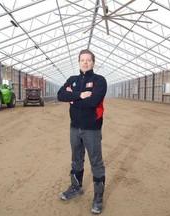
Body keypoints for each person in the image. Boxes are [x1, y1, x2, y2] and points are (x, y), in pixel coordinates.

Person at [57, 49, 107, 214]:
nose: (85, 62)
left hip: (91, 129)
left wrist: (72, 100)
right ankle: (76, 188)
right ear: (78, 62)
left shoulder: (99, 80)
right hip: (74, 128)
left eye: (88, 60)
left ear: (93, 62)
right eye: (82, 60)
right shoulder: (73, 80)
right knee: (76, 160)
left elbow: (93, 102)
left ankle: (98, 198)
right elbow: (60, 95)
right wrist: (80, 95)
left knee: (96, 163)